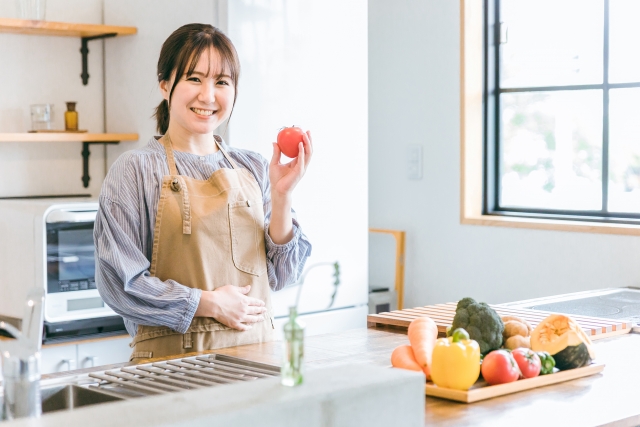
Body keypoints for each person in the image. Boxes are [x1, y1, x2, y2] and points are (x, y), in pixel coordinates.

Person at [94, 23, 313, 362]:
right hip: (170, 371)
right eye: (194, 79)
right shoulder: (133, 171)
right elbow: (120, 284)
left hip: (257, 360)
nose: (208, 96)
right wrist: (207, 303)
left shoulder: (253, 167)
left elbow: (283, 275)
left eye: (222, 82)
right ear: (165, 85)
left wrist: (283, 197)